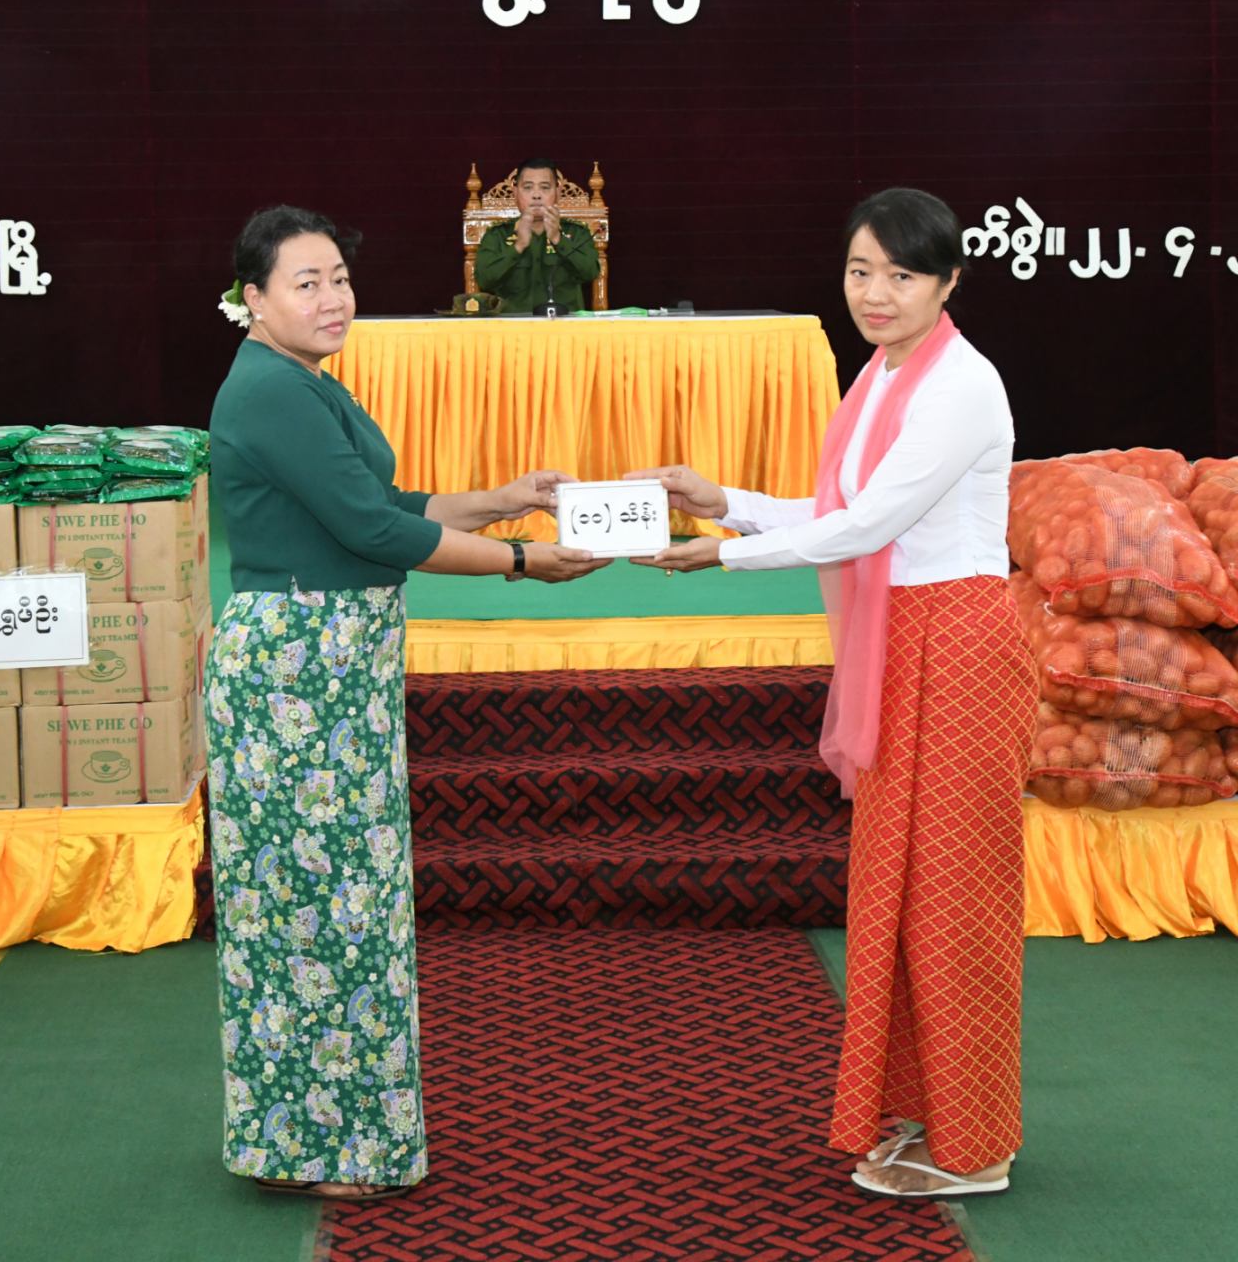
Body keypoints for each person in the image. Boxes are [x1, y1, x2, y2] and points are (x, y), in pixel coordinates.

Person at [627, 188, 1037, 1198]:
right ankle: (935, 1118)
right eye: (861, 271)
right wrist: (724, 504)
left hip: (959, 647)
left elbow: (865, 527)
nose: (875, 293)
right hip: (904, 639)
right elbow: (836, 509)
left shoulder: (961, 385)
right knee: (899, 892)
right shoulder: (882, 375)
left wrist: (718, 556)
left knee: (955, 898)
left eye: (902, 274)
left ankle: (979, 1146)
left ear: (948, 281)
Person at [206, 204, 607, 1201]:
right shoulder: (271, 390)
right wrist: (523, 562)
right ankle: (325, 1147)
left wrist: (507, 499)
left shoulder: (300, 380)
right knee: (322, 914)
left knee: (333, 906)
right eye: (306, 282)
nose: (332, 298)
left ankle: (315, 1138)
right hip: (297, 680)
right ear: (254, 298)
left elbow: (388, 506)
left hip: (329, 674)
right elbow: (376, 533)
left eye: (339, 278)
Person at [474, 157, 600, 312]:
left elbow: (590, 273)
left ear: (558, 192)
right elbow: (484, 280)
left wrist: (558, 239)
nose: (536, 195)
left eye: (545, 187)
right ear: (515, 193)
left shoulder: (576, 233)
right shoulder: (497, 235)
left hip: (564, 324)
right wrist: (518, 246)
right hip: (512, 324)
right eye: (528, 187)